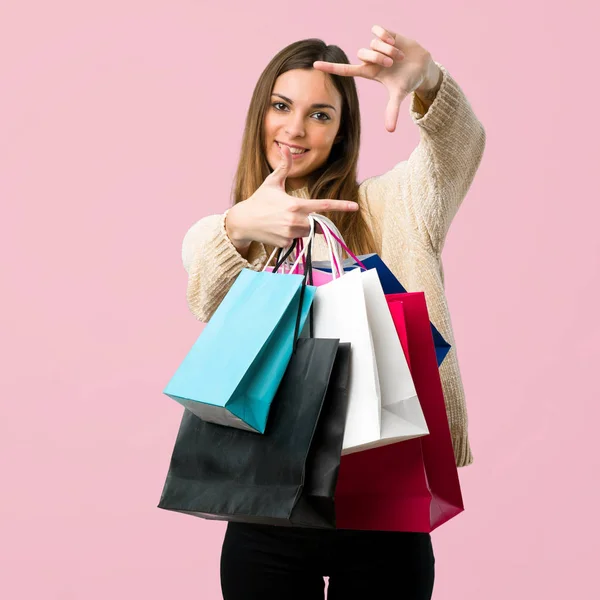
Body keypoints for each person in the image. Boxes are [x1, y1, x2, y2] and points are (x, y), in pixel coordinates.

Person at [181, 25, 485, 600]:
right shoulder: (231, 235)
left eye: (321, 114)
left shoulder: (392, 205)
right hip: (266, 511)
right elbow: (202, 285)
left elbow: (457, 151)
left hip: (383, 507)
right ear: (261, 116)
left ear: (342, 131)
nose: (295, 129)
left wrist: (429, 81)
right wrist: (242, 224)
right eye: (281, 106)